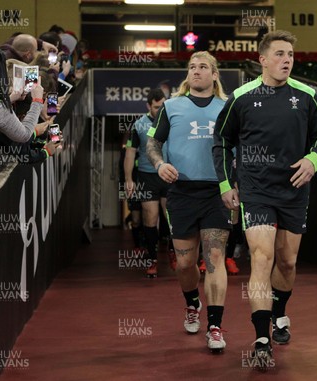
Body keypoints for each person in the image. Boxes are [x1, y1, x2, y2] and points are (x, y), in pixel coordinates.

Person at [212, 30, 317, 367]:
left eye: (291, 55)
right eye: (279, 54)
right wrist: (225, 183)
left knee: (288, 261)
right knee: (262, 257)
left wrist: (313, 160)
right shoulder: (241, 97)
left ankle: (280, 312)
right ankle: (262, 338)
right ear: (262, 60)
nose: (287, 60)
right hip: (256, 189)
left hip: (294, 189)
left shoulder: (307, 96)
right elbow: (221, 141)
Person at [146, 51, 231, 352]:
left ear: (214, 74)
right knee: (185, 264)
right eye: (192, 67)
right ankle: (192, 302)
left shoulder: (227, 107)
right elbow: (153, 142)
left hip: (216, 193)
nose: (197, 71)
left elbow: (240, 146)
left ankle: (216, 326)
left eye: (203, 67)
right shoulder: (171, 107)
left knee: (215, 259)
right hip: (181, 192)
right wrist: (158, 164)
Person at [124, 88, 169, 278]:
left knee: (172, 217)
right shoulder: (139, 125)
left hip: (169, 175)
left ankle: (176, 253)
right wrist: (128, 179)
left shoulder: (172, 121)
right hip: (146, 176)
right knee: (149, 218)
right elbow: (130, 152)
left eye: (163, 106)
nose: (160, 110)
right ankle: (152, 260)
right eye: (157, 107)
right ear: (148, 106)